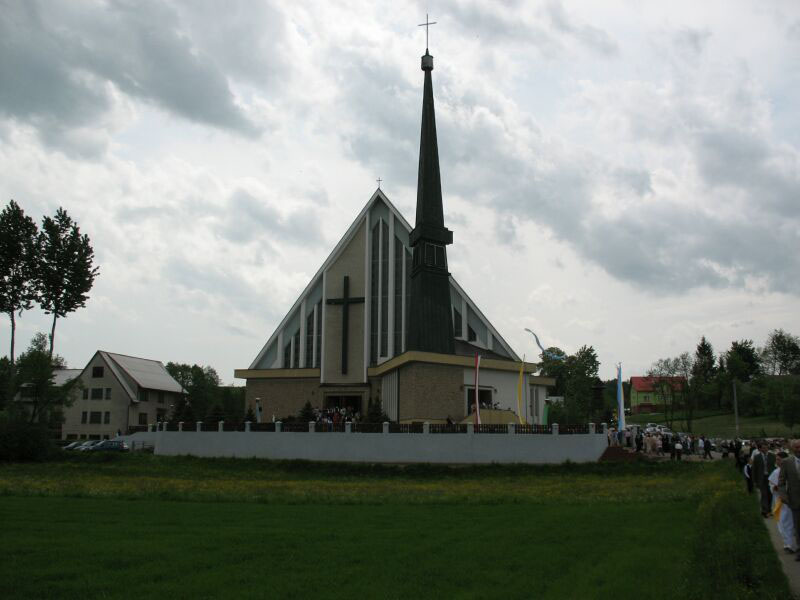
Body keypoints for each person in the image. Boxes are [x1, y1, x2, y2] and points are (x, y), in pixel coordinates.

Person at [779, 440, 800, 561]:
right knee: (798, 527)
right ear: (792, 449)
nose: (799, 449)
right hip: (795, 500)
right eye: (796, 447)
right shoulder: (786, 462)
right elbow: (781, 481)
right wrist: (783, 496)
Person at [771, 452, 795, 553]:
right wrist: (775, 488)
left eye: (779, 459)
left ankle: (790, 545)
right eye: (776, 459)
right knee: (781, 523)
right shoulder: (776, 472)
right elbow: (771, 485)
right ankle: (787, 544)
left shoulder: (792, 470)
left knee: (790, 523)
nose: (777, 461)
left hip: (791, 501)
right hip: (779, 501)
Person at [753, 442, 772, 517]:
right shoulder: (757, 457)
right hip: (761, 478)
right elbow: (754, 470)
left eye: (766, 447)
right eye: (763, 448)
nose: (765, 449)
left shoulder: (772, 456)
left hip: (770, 478)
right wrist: (754, 481)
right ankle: (764, 510)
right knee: (764, 494)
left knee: (770, 494)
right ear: (760, 449)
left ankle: (769, 509)